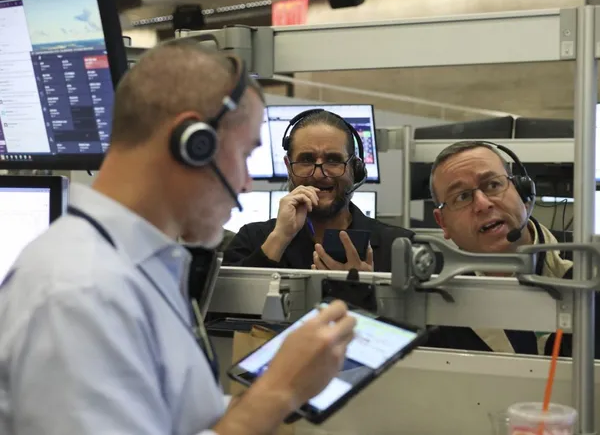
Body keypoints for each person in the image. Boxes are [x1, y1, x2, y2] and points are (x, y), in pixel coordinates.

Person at [0, 40, 357, 435]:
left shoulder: (133, 268)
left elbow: (169, 415)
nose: (245, 184)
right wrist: (277, 392)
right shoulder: (79, 292)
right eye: (244, 155)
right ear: (192, 143)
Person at [426, 140, 596, 357]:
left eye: (493, 185)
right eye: (462, 196)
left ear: (523, 194)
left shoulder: (589, 268)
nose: (482, 204)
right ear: (443, 222)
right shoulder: (432, 297)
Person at [223, 110, 413, 272]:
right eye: (306, 160)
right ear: (288, 167)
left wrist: (368, 289)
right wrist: (280, 238)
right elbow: (229, 303)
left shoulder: (399, 247)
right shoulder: (251, 239)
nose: (319, 174)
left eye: (333, 160)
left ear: (355, 169)